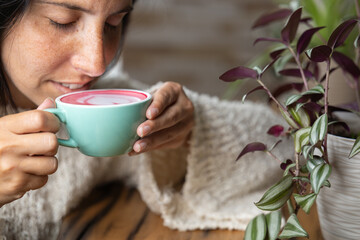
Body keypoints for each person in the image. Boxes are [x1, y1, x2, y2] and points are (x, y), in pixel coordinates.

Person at [0, 0, 291, 239]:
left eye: (113, 24)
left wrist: (195, 127)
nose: (97, 63)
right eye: (63, 21)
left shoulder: (97, 111)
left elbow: (285, 142)